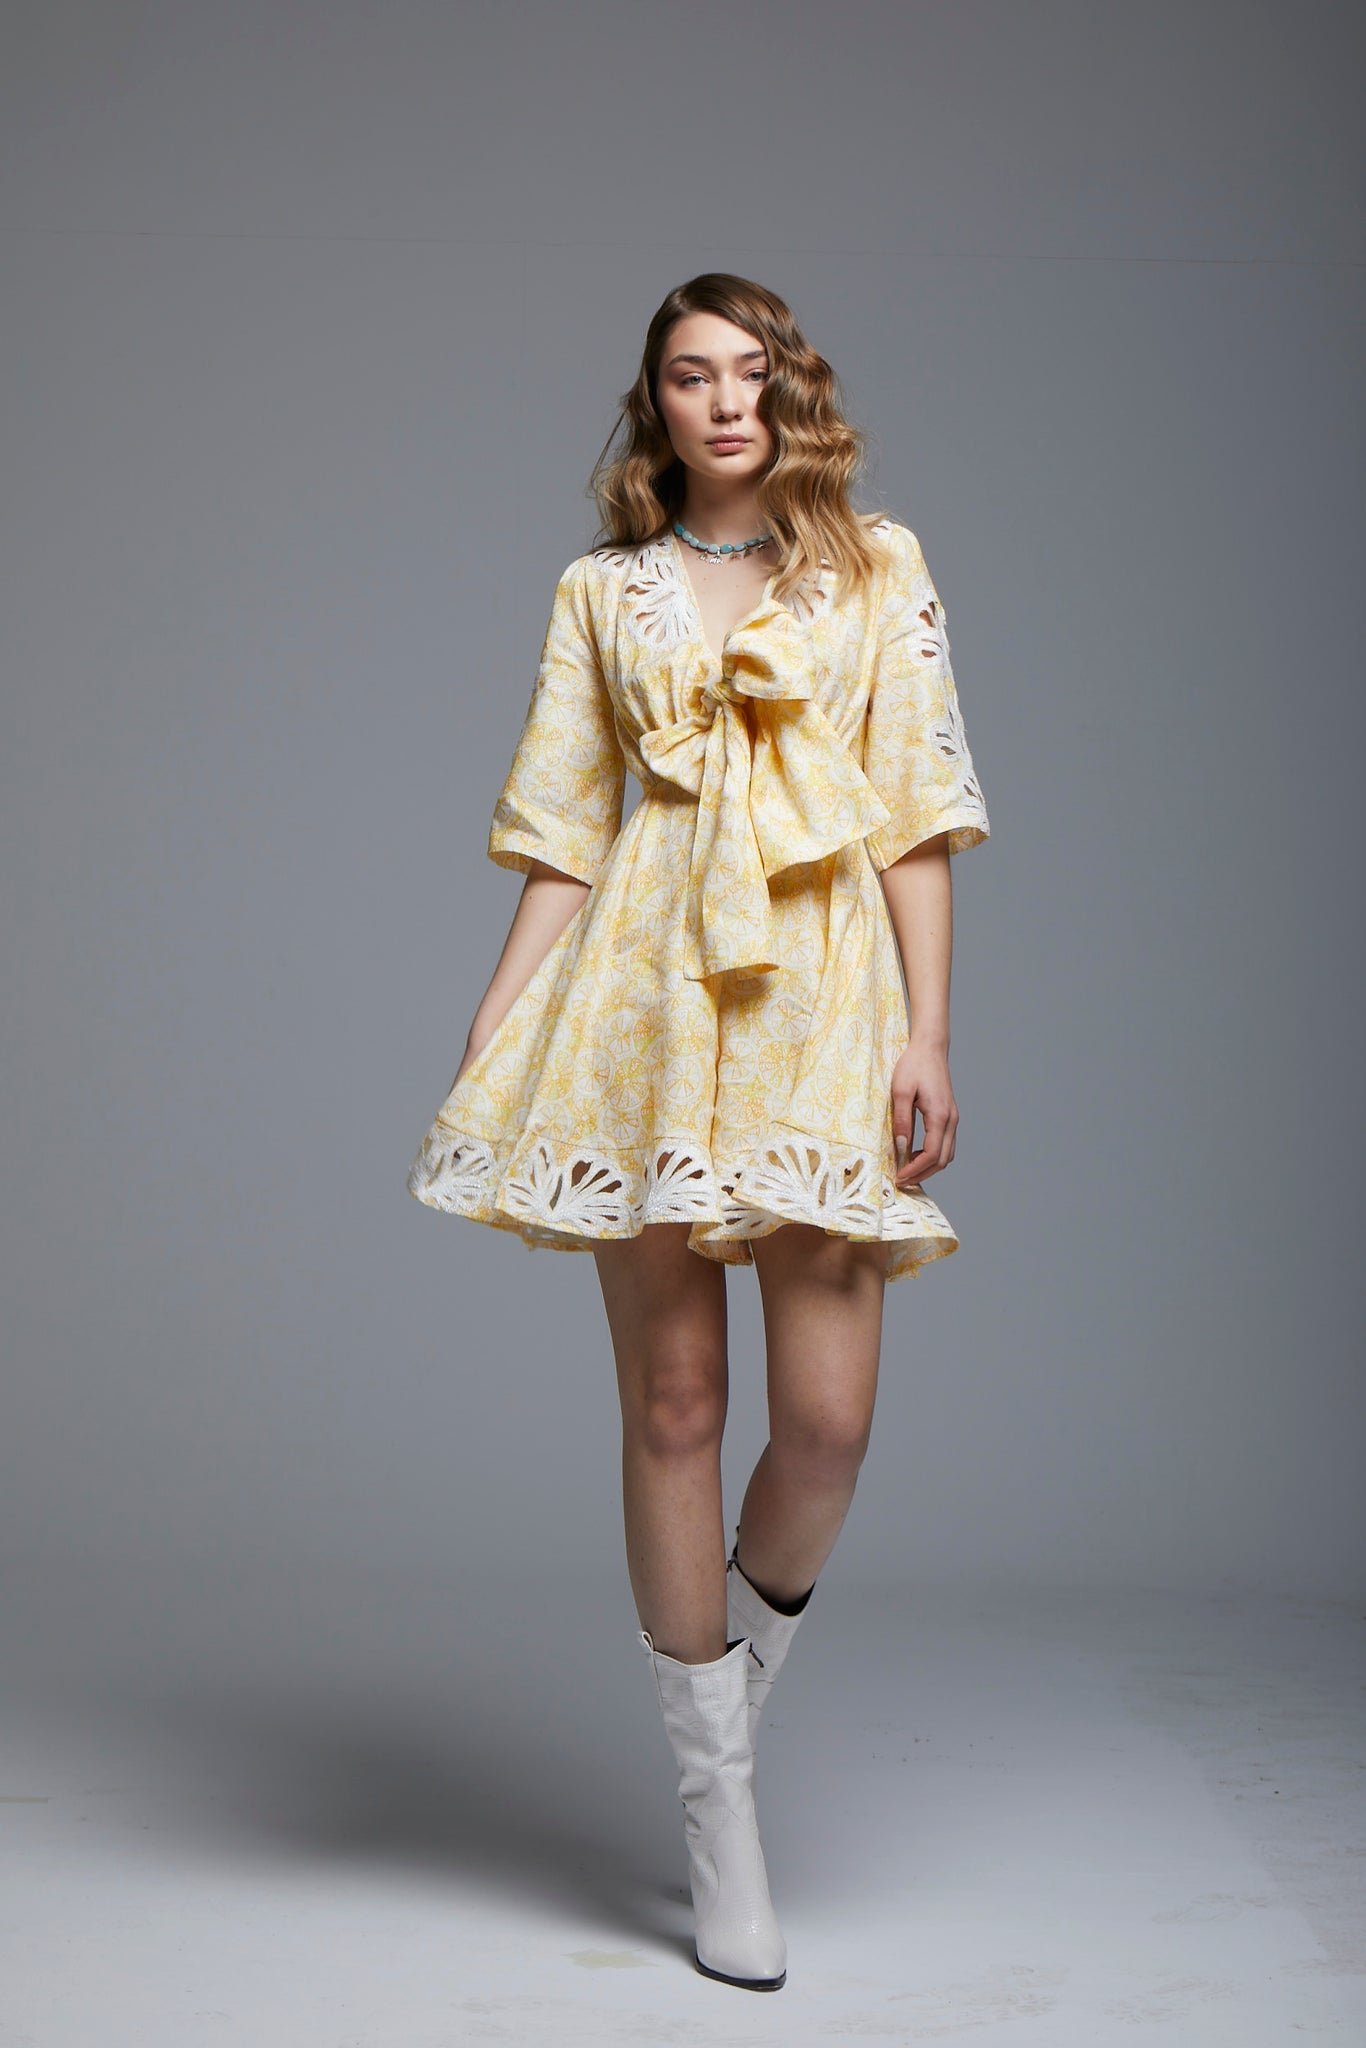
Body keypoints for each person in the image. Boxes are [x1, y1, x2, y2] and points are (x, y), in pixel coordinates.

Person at [406, 272, 991, 1991]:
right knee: (674, 1406)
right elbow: (565, 825)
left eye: (751, 372)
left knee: (826, 1427)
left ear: (786, 390)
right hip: (643, 1006)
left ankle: (718, 1688)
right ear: (652, 402)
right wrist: (498, 1011)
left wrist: (928, 1031)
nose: (725, 403)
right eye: (689, 375)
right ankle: (716, 1807)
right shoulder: (600, 591)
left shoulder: (875, 565)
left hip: (819, 1006)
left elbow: (914, 815)